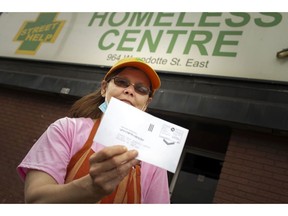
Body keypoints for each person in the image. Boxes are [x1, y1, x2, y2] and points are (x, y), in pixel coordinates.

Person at [17, 57, 170, 204]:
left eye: (141, 89)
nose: (130, 91)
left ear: (146, 104)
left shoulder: (153, 158)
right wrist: (90, 188)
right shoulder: (67, 129)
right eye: (122, 82)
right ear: (104, 88)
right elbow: (36, 200)